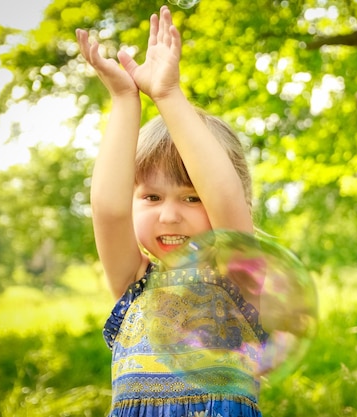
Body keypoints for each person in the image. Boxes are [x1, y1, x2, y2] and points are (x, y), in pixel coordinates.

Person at [76, 6, 266, 417]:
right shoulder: (134, 282)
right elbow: (108, 210)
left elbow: (223, 193)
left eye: (191, 197)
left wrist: (166, 95)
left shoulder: (237, 275)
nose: (169, 216)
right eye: (151, 198)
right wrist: (125, 98)